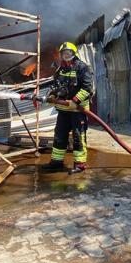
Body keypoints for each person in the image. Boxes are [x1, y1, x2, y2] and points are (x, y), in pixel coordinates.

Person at [42, 41, 94, 174]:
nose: (66, 55)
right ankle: (56, 162)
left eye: (68, 52)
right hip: (63, 110)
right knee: (59, 135)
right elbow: (56, 86)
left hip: (78, 110)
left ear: (73, 53)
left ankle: (80, 164)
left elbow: (87, 88)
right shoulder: (60, 69)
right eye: (63, 53)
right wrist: (52, 95)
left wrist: (75, 101)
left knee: (78, 137)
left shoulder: (82, 67)